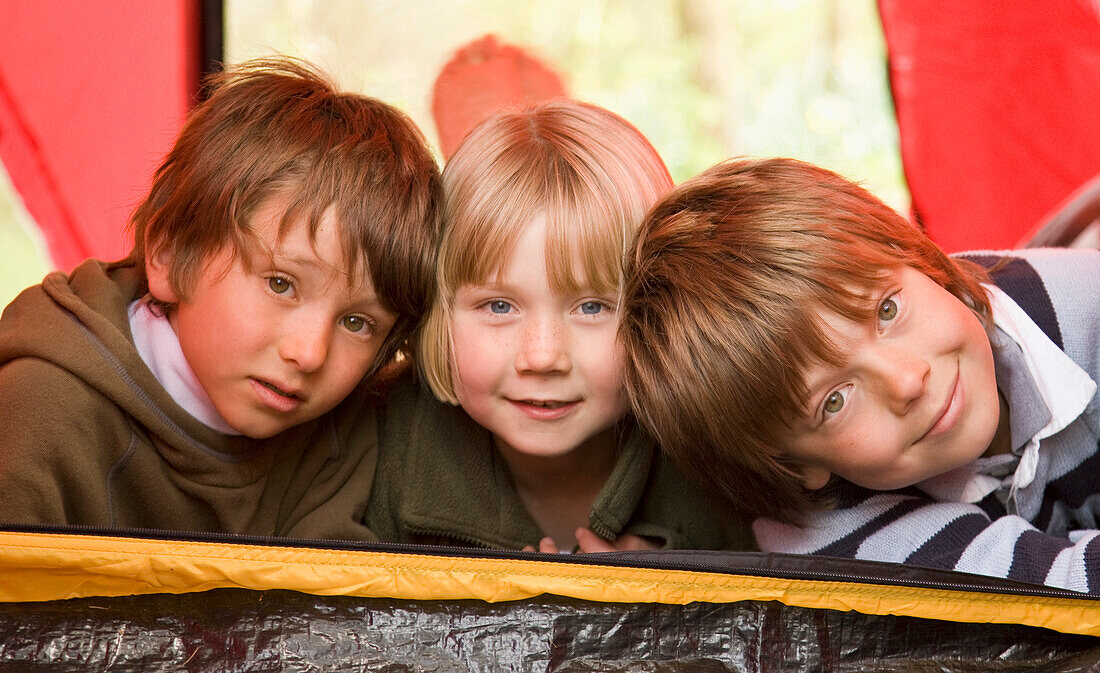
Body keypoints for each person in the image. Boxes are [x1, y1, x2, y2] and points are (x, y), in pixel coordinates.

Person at [0, 57, 440, 539]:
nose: (310, 353)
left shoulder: (340, 434)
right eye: (280, 284)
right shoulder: (40, 410)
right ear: (169, 254)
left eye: (357, 323)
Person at [619, 155, 1100, 591]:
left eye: (888, 310)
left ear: (918, 256)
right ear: (799, 466)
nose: (908, 381)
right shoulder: (838, 538)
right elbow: (1062, 594)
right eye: (835, 400)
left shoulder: (1084, 303)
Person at [365, 100, 753, 553]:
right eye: (498, 306)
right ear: (438, 311)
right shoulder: (374, 448)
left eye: (592, 307)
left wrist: (674, 604)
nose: (543, 356)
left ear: (661, 308)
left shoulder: (723, 454)